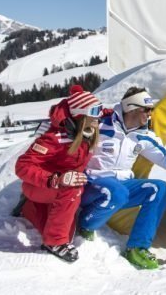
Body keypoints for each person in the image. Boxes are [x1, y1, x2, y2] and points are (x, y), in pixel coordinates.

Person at [77, 87, 166, 269]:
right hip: (93, 184)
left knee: (159, 189)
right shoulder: (100, 125)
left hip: (120, 186)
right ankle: (85, 225)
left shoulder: (144, 136)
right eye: (147, 109)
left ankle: (137, 247)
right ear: (132, 108)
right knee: (117, 191)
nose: (150, 113)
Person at [14, 85, 103, 262]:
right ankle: (54, 242)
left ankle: (29, 209)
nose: (98, 118)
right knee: (73, 190)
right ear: (80, 116)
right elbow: (22, 166)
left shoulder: (84, 132)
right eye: (94, 113)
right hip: (41, 185)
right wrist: (55, 180)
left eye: (99, 112)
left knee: (67, 232)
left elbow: (106, 111)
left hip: (58, 190)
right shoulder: (54, 138)